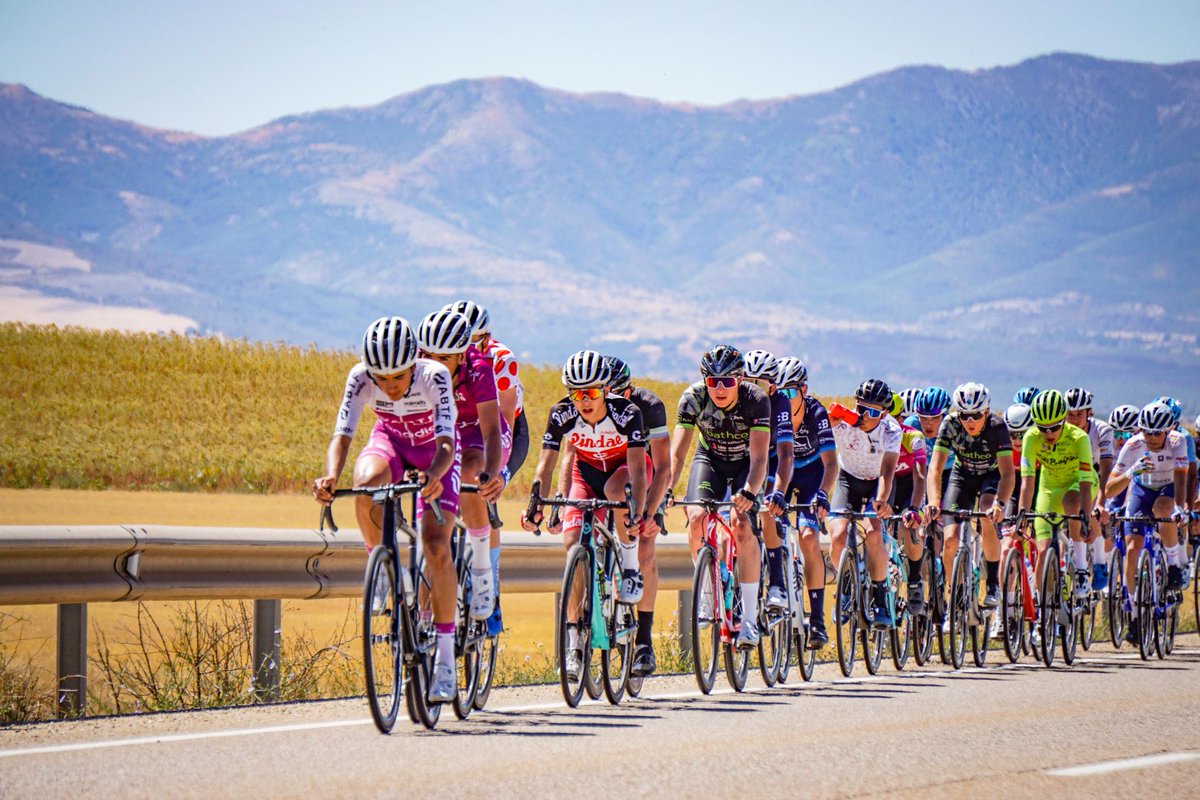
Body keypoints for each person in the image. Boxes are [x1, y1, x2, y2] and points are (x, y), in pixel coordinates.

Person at [311, 316, 460, 702]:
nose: (390, 387)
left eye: (398, 378)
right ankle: (381, 569)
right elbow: (342, 434)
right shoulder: (360, 377)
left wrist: (434, 474)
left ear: (415, 363)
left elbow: (447, 441)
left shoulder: (436, 375)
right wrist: (329, 476)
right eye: (382, 379)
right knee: (365, 484)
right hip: (392, 443)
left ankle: (445, 664)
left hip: (436, 452)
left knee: (437, 546)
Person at [520, 350, 649, 681]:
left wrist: (636, 509)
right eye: (577, 394)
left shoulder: (628, 413)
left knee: (618, 494)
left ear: (605, 390)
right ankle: (575, 641)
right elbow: (546, 463)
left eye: (591, 392)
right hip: (585, 474)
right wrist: (538, 502)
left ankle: (630, 567)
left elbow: (637, 466)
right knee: (572, 543)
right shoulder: (561, 414)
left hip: (622, 471)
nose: (584, 401)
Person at [670, 345, 771, 648]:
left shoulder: (756, 400)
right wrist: (665, 490)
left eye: (727, 381)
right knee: (697, 515)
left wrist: (750, 492)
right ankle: (706, 594)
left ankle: (750, 619)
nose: (720, 388)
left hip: (745, 465)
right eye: (713, 382)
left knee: (741, 524)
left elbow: (759, 459)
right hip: (710, 459)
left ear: (740, 379)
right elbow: (677, 455)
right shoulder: (692, 398)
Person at [416, 309, 506, 621]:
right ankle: (427, 623)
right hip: (441, 433)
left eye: (444, 358)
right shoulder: (415, 367)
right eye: (428, 355)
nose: (434, 363)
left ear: (461, 356)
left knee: (471, 470)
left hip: (477, 433)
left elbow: (492, 430)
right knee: (432, 526)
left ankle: (481, 568)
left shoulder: (478, 369)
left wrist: (491, 473)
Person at [446, 300, 523, 634]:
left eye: (473, 340)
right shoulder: (438, 357)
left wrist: (498, 473)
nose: (465, 348)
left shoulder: (499, 358)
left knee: (484, 488)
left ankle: (488, 583)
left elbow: (502, 423)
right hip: (456, 428)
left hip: (502, 429)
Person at [605, 355, 673, 677]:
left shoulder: (650, 406)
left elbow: (663, 467)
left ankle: (644, 641)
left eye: (617, 394)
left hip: (646, 478)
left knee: (645, 546)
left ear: (629, 390)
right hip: (608, 474)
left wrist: (650, 512)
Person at [924, 382, 1014, 609]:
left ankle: (992, 582)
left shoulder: (997, 426)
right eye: (965, 415)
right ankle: (951, 588)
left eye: (975, 415)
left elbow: (1007, 474)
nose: (970, 422)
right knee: (951, 537)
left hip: (990, 476)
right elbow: (934, 468)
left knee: (986, 514)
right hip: (962, 475)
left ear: (986, 412)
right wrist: (934, 502)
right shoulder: (951, 424)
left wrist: (1000, 504)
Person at [827, 378, 902, 629]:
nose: (866, 416)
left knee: (872, 533)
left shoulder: (891, 430)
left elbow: (888, 471)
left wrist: (881, 500)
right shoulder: (846, 423)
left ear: (883, 413)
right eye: (861, 409)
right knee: (837, 534)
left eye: (873, 412)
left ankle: (880, 596)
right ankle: (844, 586)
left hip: (877, 482)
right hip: (848, 478)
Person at [776, 356, 837, 647]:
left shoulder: (816, 413)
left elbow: (831, 464)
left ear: (804, 390)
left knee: (809, 537)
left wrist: (823, 495)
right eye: (779, 392)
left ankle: (817, 620)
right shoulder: (774, 411)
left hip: (813, 472)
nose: (784, 398)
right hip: (783, 472)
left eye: (790, 392)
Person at [1015, 390, 1095, 601]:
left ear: (1064, 420)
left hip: (1078, 484)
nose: (1048, 433)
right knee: (1042, 550)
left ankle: (1080, 569)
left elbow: (1086, 483)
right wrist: (1022, 514)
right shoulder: (1031, 438)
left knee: (1070, 501)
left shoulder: (1079, 438)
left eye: (1054, 428)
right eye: (1042, 428)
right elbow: (1027, 482)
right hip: (1049, 488)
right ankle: (1043, 611)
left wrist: (1085, 516)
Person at [1106, 402, 1191, 599]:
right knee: (1132, 548)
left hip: (1168, 487)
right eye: (1147, 432)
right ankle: (1134, 612)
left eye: (1157, 433)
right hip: (1142, 491)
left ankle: (1173, 565)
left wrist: (1178, 507)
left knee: (1162, 509)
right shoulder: (1133, 444)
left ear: (1168, 430)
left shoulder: (1178, 441)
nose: (1151, 438)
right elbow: (1110, 489)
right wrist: (1131, 471)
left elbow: (1180, 478)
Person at [743, 350, 795, 615]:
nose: (752, 387)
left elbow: (787, 454)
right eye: (746, 380)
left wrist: (780, 493)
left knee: (766, 511)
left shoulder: (781, 403)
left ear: (772, 387)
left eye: (759, 383)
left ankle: (777, 583)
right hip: (747, 460)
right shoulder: (738, 397)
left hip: (773, 459)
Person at [1065, 387, 1115, 589]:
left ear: (1089, 412)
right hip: (1069, 474)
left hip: (1094, 474)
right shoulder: (1061, 430)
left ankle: (1100, 561)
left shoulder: (1102, 430)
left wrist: (1101, 504)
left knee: (1090, 509)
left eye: (1079, 414)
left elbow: (1105, 471)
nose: (1074, 419)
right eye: (1070, 414)